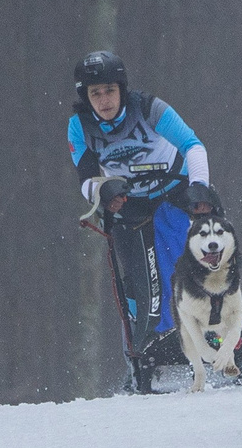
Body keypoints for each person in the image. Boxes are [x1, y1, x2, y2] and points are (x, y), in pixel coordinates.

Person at [68, 50, 219, 391]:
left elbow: (193, 146)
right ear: (86, 98)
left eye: (109, 90)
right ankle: (145, 357)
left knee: (199, 273)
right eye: (95, 94)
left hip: (177, 195)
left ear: (121, 89)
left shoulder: (150, 109)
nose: (104, 100)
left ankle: (224, 344)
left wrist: (200, 188)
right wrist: (103, 193)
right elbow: (86, 177)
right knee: (140, 288)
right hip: (132, 207)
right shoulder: (79, 127)